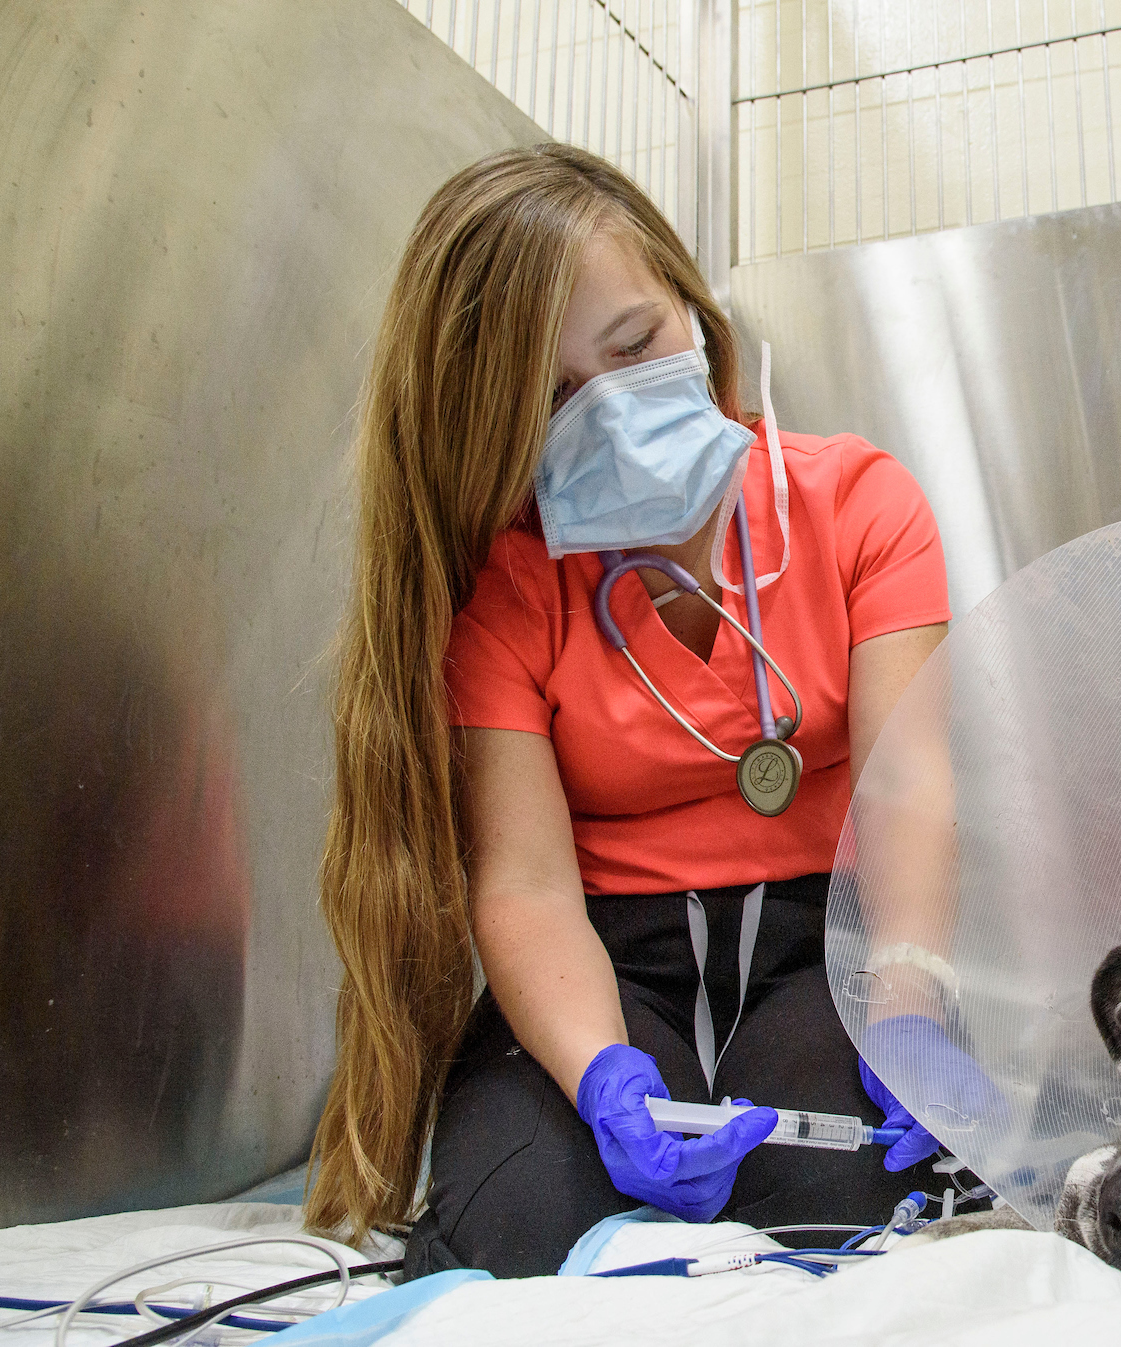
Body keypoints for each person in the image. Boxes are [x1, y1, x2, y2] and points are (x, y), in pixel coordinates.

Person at [301, 144, 983, 1278]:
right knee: (515, 1220)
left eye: (634, 349)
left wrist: (905, 1007)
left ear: (695, 313)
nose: (613, 412)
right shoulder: (511, 595)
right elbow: (522, 886)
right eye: (556, 396)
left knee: (840, 1200)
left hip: (825, 951)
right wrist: (598, 1073)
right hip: (607, 964)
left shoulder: (861, 507)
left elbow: (909, 792)